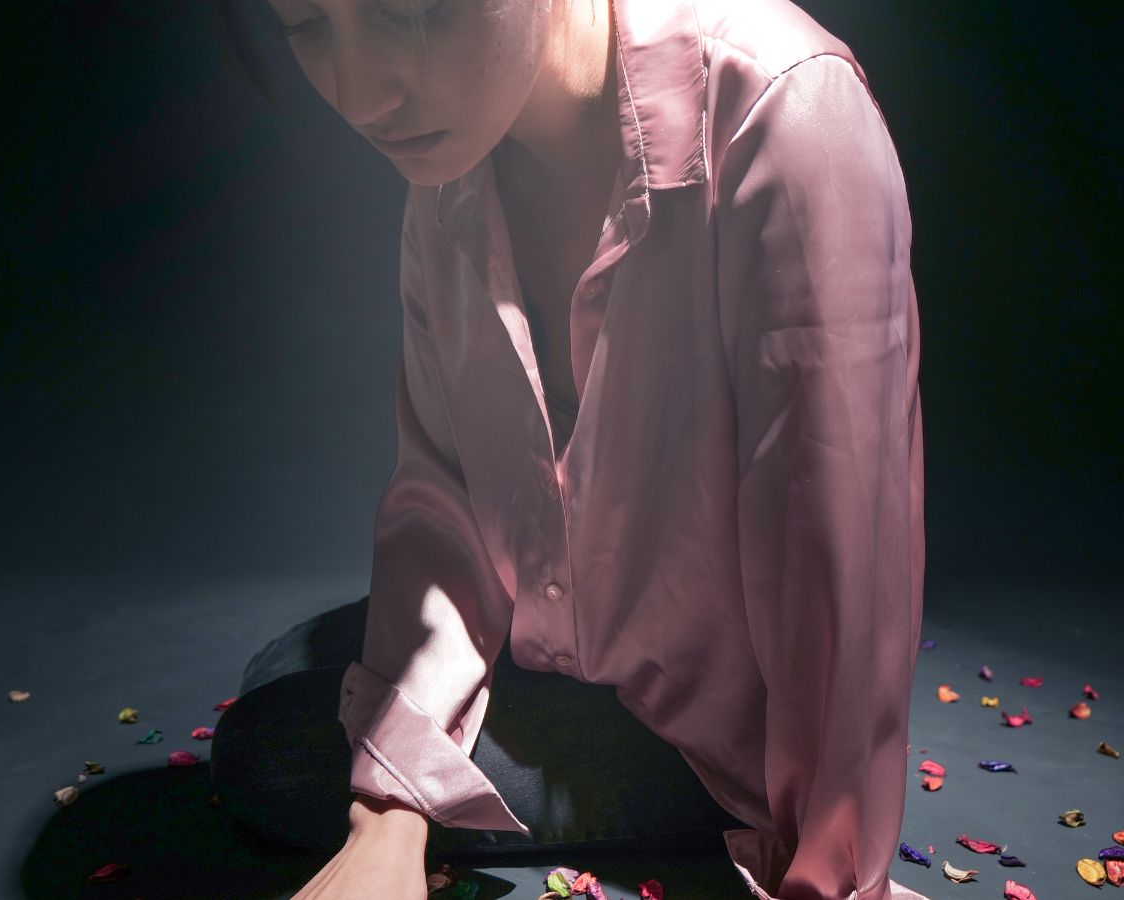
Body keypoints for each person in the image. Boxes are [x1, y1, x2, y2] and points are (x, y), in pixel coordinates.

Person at [209, 0, 927, 898]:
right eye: (307, 26)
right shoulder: (456, 159)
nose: (362, 93)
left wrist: (828, 877)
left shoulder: (780, 115)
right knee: (288, 672)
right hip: (558, 633)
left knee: (273, 747)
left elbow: (835, 565)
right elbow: (444, 502)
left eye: (407, 10)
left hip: (714, 725)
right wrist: (388, 827)